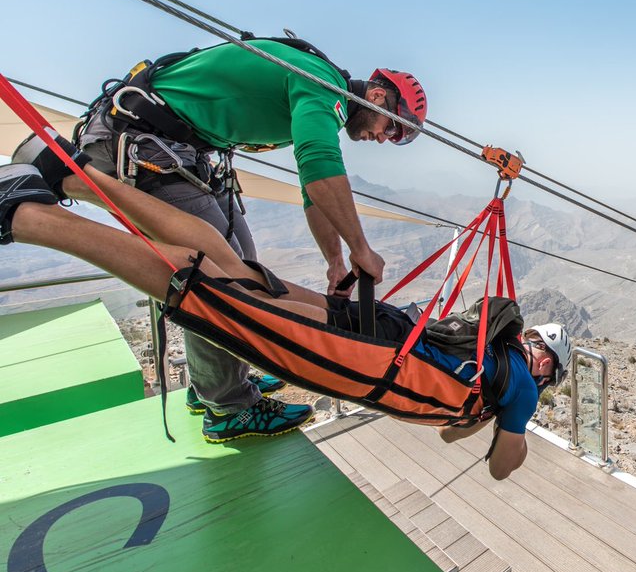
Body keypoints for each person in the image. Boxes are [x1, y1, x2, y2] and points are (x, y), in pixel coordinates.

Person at [0, 148, 567, 477]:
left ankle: (70, 175)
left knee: (233, 269)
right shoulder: (519, 384)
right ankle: (24, 214)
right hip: (366, 360)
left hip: (382, 327)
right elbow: (499, 466)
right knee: (205, 290)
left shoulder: (488, 354)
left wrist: (476, 414)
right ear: (546, 367)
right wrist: (518, 413)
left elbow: (447, 432)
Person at [14, 37, 428, 441]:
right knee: (217, 279)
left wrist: (336, 263)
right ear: (376, 95)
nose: (384, 138)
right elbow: (318, 165)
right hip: (145, 142)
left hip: (168, 144)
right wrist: (361, 249)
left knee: (243, 263)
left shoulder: (316, 85)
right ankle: (228, 407)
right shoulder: (324, 87)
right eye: (392, 127)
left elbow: (311, 193)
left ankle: (213, 381)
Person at [437, 322, 572, 479]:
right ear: (545, 364)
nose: (544, 383)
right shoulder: (525, 389)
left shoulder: (496, 341)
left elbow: (447, 432)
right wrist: (509, 411)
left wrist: (496, 399)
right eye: (549, 379)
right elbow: (499, 471)